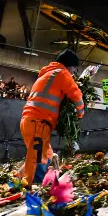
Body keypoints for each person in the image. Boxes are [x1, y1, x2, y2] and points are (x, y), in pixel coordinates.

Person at [20, 49, 84, 184]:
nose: (73, 72)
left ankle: (21, 179)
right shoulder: (61, 73)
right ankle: (32, 189)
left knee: (46, 154)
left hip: (29, 121)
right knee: (38, 160)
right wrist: (80, 112)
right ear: (69, 65)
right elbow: (76, 94)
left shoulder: (47, 74)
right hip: (39, 124)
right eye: (74, 68)